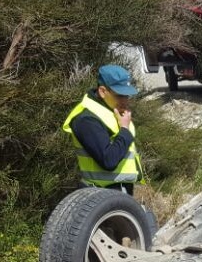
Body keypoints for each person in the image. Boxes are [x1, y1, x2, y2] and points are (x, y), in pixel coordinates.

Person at [61, 64, 144, 195]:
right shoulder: (86, 119)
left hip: (119, 191)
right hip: (99, 194)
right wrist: (125, 130)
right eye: (120, 95)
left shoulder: (112, 112)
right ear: (102, 91)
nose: (125, 100)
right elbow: (108, 160)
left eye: (127, 96)